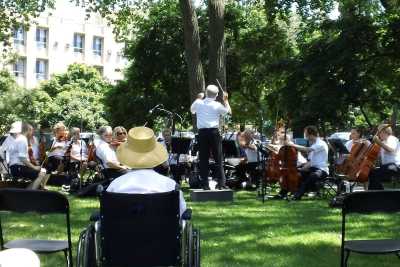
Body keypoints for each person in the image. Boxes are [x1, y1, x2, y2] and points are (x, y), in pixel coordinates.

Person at [107, 126, 187, 216]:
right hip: (162, 229)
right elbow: (182, 213)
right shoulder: (170, 185)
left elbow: (107, 215)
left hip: (122, 229)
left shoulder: (115, 185)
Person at [190, 85, 232, 190]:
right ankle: (221, 183)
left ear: (205, 92)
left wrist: (198, 98)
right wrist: (226, 100)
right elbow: (228, 112)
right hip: (214, 132)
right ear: (217, 95)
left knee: (203, 159)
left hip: (202, 133)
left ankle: (205, 184)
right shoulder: (217, 104)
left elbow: (192, 110)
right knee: (218, 158)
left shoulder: (199, 102)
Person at [285, 125, 329, 200]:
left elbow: (307, 149)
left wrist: (292, 145)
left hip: (322, 170)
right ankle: (284, 193)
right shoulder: (315, 144)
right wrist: (302, 168)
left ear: (311, 135)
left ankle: (297, 196)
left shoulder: (320, 144)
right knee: (295, 174)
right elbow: (311, 161)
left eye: (306, 135)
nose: (305, 137)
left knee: (312, 176)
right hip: (313, 168)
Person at [8, 123, 50, 189]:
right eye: (32, 131)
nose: (32, 133)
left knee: (42, 171)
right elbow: (22, 158)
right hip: (17, 167)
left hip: (16, 167)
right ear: (28, 130)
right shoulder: (22, 139)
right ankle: (29, 193)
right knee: (42, 173)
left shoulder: (19, 138)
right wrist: (34, 167)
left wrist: (34, 164)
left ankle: (31, 191)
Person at [368, 124, 400, 190]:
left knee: (375, 174)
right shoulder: (383, 142)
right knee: (371, 172)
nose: (378, 135)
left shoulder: (392, 139)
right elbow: (378, 156)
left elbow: (391, 150)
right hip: (387, 166)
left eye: (379, 132)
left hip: (395, 166)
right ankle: (379, 193)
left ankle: (374, 194)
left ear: (385, 132)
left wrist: (379, 142)